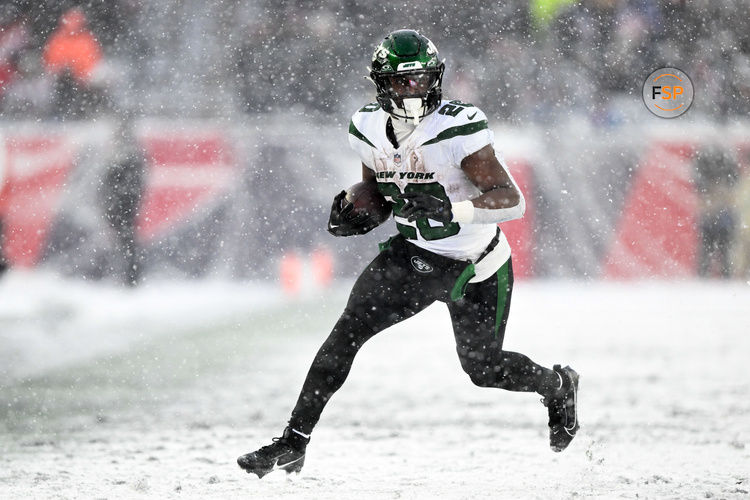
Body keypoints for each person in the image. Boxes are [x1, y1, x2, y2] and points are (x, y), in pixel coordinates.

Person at [237, 29, 579, 478]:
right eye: (403, 81)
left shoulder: (458, 126)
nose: (414, 89)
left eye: (422, 79)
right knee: (346, 333)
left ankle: (557, 386)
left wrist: (453, 208)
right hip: (414, 256)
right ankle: (293, 440)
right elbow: (378, 190)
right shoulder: (367, 127)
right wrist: (359, 212)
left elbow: (511, 200)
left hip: (475, 265)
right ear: (381, 84)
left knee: (485, 369)